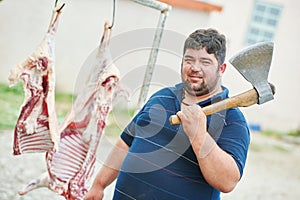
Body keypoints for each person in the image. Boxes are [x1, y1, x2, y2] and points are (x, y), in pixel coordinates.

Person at [85, 28, 250, 200]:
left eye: (205, 62)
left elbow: (227, 182)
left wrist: (199, 135)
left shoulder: (232, 120)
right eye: (189, 60)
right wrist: (99, 185)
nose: (195, 68)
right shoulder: (162, 97)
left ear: (221, 69)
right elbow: (126, 143)